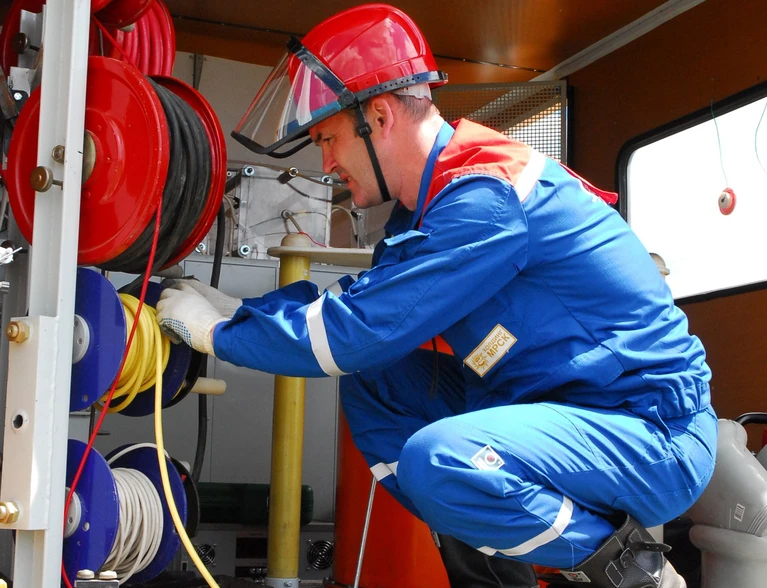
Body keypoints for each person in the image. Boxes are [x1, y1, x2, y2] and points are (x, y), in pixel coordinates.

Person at [156, 4, 716, 587]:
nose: (326, 163)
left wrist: (216, 333)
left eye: (329, 139)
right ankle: (504, 567)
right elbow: (360, 305)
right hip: (556, 408)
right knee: (377, 384)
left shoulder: (485, 197)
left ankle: (631, 569)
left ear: (379, 115)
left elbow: (356, 332)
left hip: (650, 434)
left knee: (441, 460)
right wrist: (240, 311)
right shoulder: (426, 208)